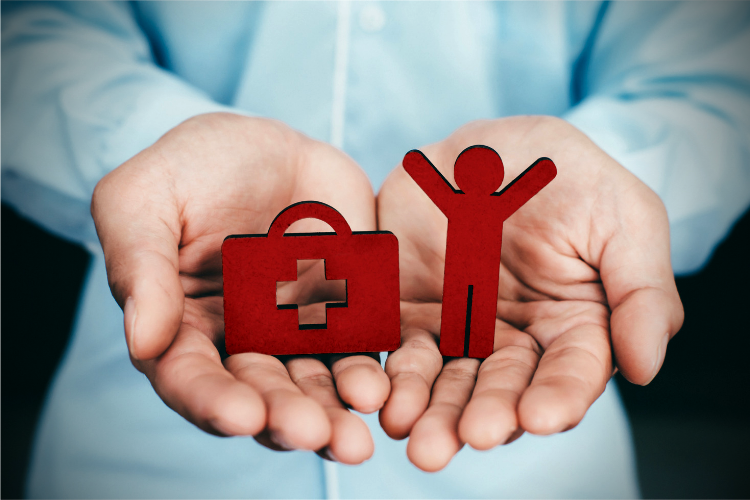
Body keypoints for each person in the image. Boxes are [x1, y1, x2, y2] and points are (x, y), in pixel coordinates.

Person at [2, 1, 749, 498]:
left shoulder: (483, 201)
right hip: (149, 441)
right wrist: (155, 153)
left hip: (524, 414)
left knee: (466, 308)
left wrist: (605, 185)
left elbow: (713, 65)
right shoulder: (473, 198)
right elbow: (30, 28)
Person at [402, 147, 556, 358]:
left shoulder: (461, 202)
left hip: (473, 267)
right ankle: (465, 345)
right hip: (477, 268)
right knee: (469, 305)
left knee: (470, 305)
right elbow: (524, 187)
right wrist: (543, 171)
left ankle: (463, 344)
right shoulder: (493, 204)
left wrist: (415, 162)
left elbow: (429, 180)